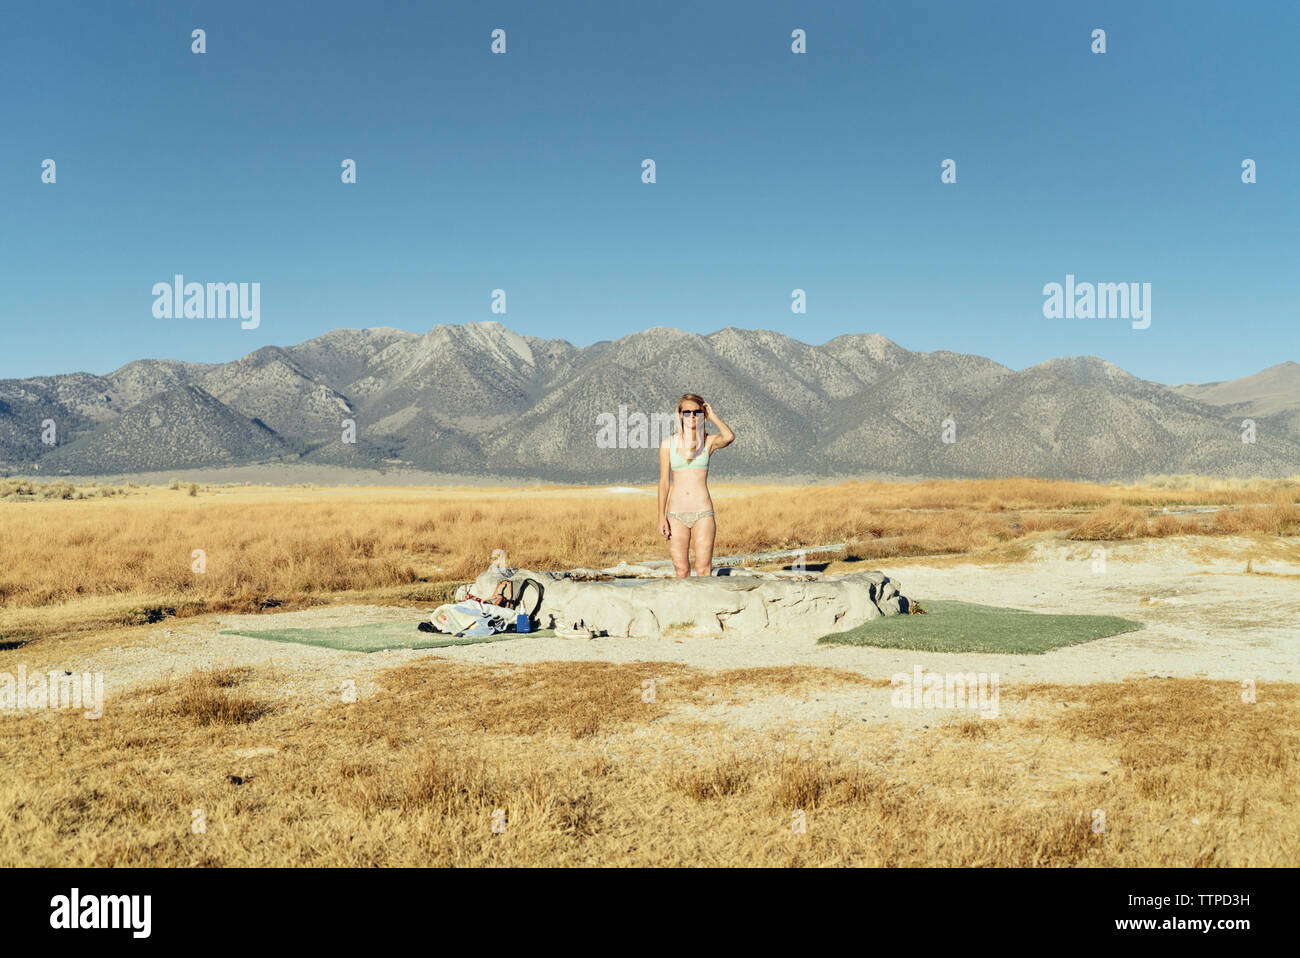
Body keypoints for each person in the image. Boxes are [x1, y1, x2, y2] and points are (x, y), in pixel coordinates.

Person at [658, 394, 735, 578]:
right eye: (687, 412)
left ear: (703, 414)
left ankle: (706, 608)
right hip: (675, 515)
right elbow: (663, 483)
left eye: (697, 412)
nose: (692, 416)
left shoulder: (709, 442)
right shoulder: (667, 444)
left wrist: (713, 415)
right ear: (680, 415)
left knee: (703, 570)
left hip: (703, 514)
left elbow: (729, 436)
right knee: (682, 571)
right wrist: (661, 517)